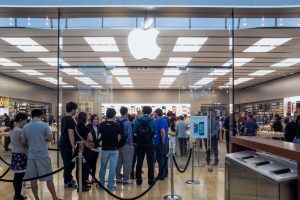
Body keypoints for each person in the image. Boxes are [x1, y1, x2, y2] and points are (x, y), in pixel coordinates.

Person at [21, 109, 61, 200]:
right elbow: (50, 139)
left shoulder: (26, 126)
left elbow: (23, 141)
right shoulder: (44, 125)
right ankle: (54, 197)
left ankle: (37, 198)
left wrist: (31, 144)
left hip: (31, 155)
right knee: (48, 178)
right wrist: (42, 140)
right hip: (43, 155)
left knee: (33, 179)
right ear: (41, 115)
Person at [98, 108, 121, 192]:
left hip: (105, 148)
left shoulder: (102, 124)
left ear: (107, 114)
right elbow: (118, 137)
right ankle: (110, 185)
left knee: (103, 166)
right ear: (114, 115)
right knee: (112, 167)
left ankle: (101, 183)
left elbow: (99, 136)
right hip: (114, 149)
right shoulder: (117, 125)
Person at [134, 106, 156, 186]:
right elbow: (155, 133)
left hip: (140, 144)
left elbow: (134, 132)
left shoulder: (137, 121)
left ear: (142, 111)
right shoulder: (152, 121)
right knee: (150, 163)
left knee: (139, 162)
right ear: (150, 112)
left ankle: (138, 180)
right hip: (150, 144)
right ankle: (150, 180)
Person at [59, 102, 78, 189]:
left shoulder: (64, 118)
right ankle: (67, 182)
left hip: (63, 142)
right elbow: (71, 134)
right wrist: (73, 146)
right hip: (67, 144)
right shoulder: (70, 120)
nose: (76, 111)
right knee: (69, 163)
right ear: (73, 109)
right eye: (76, 109)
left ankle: (68, 178)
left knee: (68, 163)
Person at [10, 112, 28, 200]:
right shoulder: (19, 130)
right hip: (20, 155)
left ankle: (17, 195)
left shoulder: (13, 129)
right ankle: (17, 195)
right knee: (19, 176)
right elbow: (24, 142)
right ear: (20, 120)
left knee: (18, 176)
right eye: (25, 120)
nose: (26, 123)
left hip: (16, 154)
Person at [74, 112, 94, 192]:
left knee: (78, 168)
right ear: (85, 119)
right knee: (85, 168)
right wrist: (87, 141)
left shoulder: (75, 127)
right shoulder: (86, 128)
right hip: (85, 150)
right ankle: (84, 185)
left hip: (77, 148)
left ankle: (80, 185)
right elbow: (91, 138)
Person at [116, 107, 134, 184]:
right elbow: (129, 134)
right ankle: (126, 178)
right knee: (127, 162)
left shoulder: (116, 121)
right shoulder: (127, 122)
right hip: (126, 144)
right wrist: (131, 144)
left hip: (117, 144)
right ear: (126, 112)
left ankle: (118, 178)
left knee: (118, 162)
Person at [154, 108, 169, 180]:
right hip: (164, 142)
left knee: (160, 159)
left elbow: (162, 131)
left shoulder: (160, 120)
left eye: (154, 113)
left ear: (157, 113)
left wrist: (162, 141)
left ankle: (161, 175)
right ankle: (165, 173)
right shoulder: (164, 120)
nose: (154, 114)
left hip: (160, 142)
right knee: (164, 158)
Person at [86, 114, 101, 183]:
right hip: (90, 148)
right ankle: (86, 178)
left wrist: (98, 143)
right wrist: (90, 142)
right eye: (95, 119)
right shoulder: (88, 127)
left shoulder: (99, 127)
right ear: (91, 120)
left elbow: (100, 136)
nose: (96, 120)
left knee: (94, 164)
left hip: (96, 148)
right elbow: (86, 136)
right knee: (89, 164)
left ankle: (93, 177)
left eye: (97, 119)